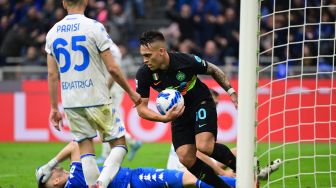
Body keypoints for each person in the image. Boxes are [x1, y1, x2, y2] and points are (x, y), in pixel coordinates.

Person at [42, 0, 141, 187]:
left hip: (71, 101)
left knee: (86, 147)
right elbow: (112, 67)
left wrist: (54, 108)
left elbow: (52, 74)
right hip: (96, 97)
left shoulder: (52, 32)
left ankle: (94, 185)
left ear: (64, 3)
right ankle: (101, 184)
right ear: (86, 2)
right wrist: (130, 92)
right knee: (119, 143)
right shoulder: (94, 27)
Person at [135, 30, 238, 188]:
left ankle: (243, 170)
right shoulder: (144, 73)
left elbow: (214, 70)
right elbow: (141, 109)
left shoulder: (184, 60)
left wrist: (231, 93)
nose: (145, 60)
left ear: (161, 51)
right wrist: (164, 118)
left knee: (204, 146)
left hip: (200, 102)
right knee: (185, 157)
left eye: (148, 55)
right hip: (179, 114)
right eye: (143, 55)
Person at [36, 141, 236, 188]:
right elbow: (75, 145)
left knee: (187, 179)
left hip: (135, 178)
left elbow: (74, 145)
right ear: (54, 183)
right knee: (188, 179)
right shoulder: (74, 180)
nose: (56, 169)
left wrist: (50, 163)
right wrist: (51, 162)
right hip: (136, 181)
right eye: (52, 172)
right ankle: (239, 184)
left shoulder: (74, 176)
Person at [96, 44, 142, 164]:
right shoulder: (104, 45)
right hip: (107, 88)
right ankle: (131, 141)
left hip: (112, 89)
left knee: (107, 121)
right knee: (108, 121)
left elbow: (113, 71)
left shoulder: (112, 49)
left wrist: (105, 91)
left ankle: (106, 155)